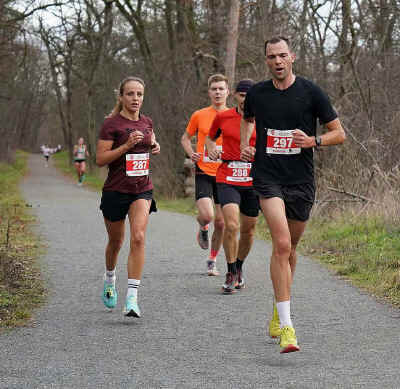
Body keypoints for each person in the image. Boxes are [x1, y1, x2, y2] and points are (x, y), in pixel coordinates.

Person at [240, 36, 346, 353]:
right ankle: (287, 328)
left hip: (301, 180)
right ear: (266, 60)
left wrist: (314, 142)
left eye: (282, 55)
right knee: (281, 243)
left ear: (293, 57)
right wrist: (248, 144)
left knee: (291, 248)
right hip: (267, 176)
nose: (277, 61)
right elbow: (247, 120)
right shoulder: (257, 93)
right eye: (271, 56)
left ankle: (278, 306)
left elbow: (339, 133)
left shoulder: (311, 92)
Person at [96, 76, 160, 318]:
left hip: (141, 189)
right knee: (116, 242)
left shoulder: (147, 122)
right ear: (121, 97)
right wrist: (125, 147)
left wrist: (154, 145)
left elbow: (149, 142)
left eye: (139, 94)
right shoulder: (111, 124)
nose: (135, 98)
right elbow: (100, 160)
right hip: (115, 190)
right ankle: (110, 279)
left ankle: (132, 298)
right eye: (131, 94)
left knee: (139, 237)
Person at [205, 79, 259, 294]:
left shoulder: (263, 117)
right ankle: (229, 271)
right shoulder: (223, 116)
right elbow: (210, 139)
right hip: (227, 176)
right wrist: (211, 149)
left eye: (249, 96)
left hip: (254, 179)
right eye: (242, 95)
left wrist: (259, 153)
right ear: (235, 95)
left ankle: (239, 267)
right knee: (232, 225)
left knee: (249, 230)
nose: (245, 100)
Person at [181, 74, 229, 276]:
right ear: (209, 92)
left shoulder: (234, 116)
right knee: (208, 216)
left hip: (224, 173)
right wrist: (190, 153)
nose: (217, 92)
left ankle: (212, 259)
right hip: (203, 171)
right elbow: (185, 138)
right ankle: (202, 226)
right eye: (214, 89)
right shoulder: (199, 115)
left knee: (221, 222)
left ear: (227, 92)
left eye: (221, 89)